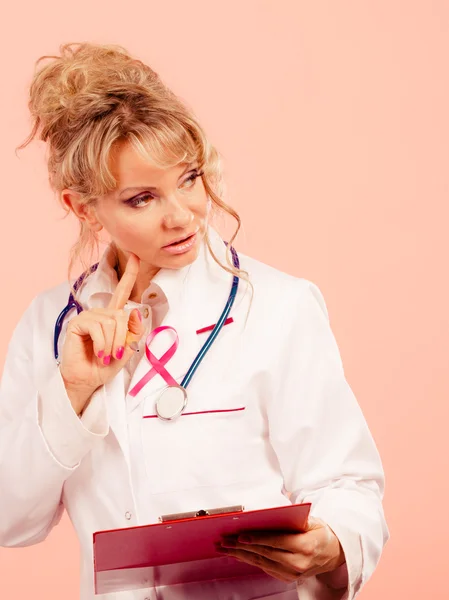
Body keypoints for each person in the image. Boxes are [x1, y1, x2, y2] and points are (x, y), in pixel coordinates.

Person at [0, 42, 388, 600]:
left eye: (189, 178)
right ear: (84, 207)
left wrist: (332, 542)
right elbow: (13, 521)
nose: (182, 214)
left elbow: (349, 486)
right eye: (142, 198)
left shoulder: (280, 306)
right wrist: (73, 389)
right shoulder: (50, 325)